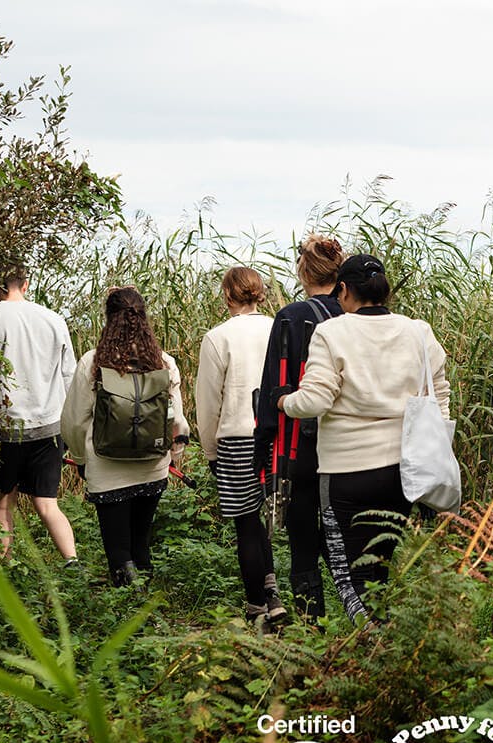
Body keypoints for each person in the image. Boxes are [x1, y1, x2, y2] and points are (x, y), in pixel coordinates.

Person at [273, 254, 450, 622]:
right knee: (377, 572)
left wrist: (283, 400)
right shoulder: (419, 331)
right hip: (403, 471)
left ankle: (379, 653)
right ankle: (381, 656)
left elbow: (315, 400)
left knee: (349, 578)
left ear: (344, 289)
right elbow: (440, 397)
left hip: (348, 474)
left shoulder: (333, 332)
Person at [61, 286, 189, 586]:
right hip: (152, 467)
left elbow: (75, 421)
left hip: (107, 470)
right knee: (141, 542)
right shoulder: (164, 362)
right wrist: (173, 455)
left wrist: (81, 459)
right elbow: (177, 420)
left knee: (118, 549)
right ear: (143, 318)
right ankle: (145, 607)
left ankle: (127, 610)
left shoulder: (93, 363)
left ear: (109, 319)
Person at [254, 235, 345, 621]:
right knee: (351, 547)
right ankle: (369, 625)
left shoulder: (290, 317)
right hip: (349, 449)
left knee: (303, 542)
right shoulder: (354, 315)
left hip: (298, 448)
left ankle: (312, 628)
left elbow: (275, 384)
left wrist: (263, 445)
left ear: (303, 271)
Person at [0, 266, 78, 563]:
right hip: (50, 426)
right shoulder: (53, 319)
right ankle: (72, 562)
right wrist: (73, 426)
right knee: (47, 503)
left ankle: (4, 567)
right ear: (26, 284)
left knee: (3, 504)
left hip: (4, 428)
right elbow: (71, 376)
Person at [197, 266, 285, 627]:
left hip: (236, 437)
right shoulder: (278, 330)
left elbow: (207, 403)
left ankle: (256, 609)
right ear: (259, 293)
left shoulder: (218, 338)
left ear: (228, 296)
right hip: (278, 435)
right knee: (267, 521)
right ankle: (274, 594)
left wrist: (210, 452)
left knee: (247, 524)